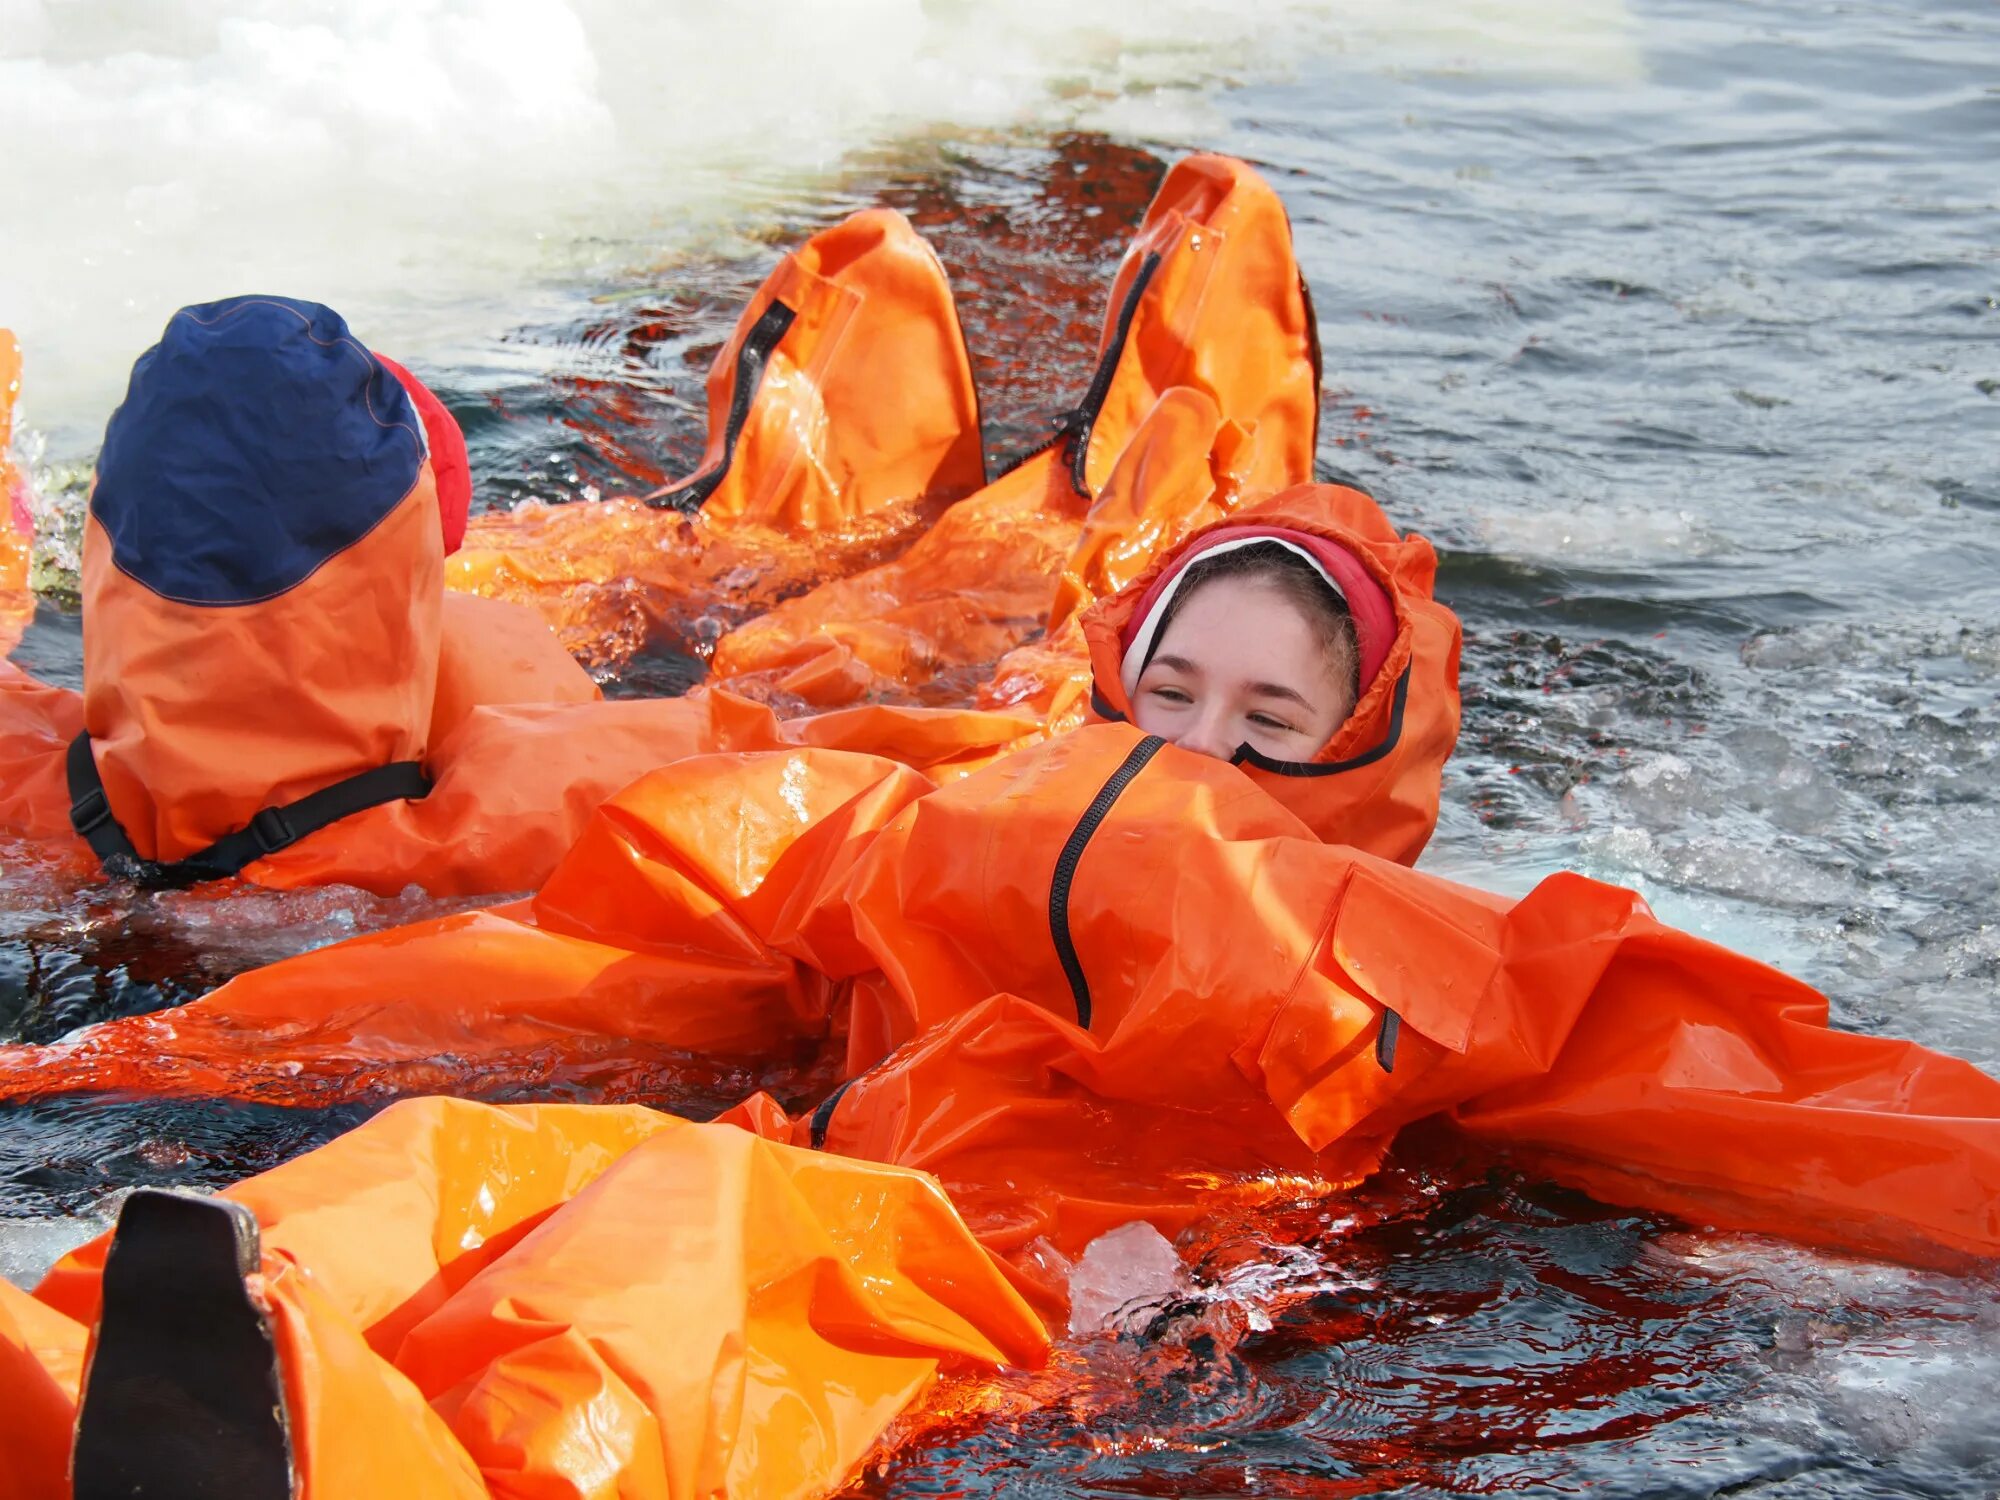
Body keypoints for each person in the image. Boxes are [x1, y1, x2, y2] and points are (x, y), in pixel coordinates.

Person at [8, 475, 1998, 1500]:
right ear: (1114, 681)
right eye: (1173, 688)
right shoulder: (906, 817)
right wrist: (119, 1057)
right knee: (452, 1171)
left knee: (718, 1252)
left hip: (1064, 1277)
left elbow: (1767, 1094)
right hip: (845, 1153)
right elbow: (595, 957)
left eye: (1272, 713)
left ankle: (354, 1472)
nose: (1202, 741)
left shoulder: (1439, 964)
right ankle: (76, 1379)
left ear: (1368, 760)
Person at [0, 154, 1326, 898]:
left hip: (283, 759)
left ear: (100, 550)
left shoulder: (31, 785)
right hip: (593, 731)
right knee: (827, 659)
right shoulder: (564, 793)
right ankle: (1070, 518)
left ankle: (734, 529)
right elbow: (878, 767)